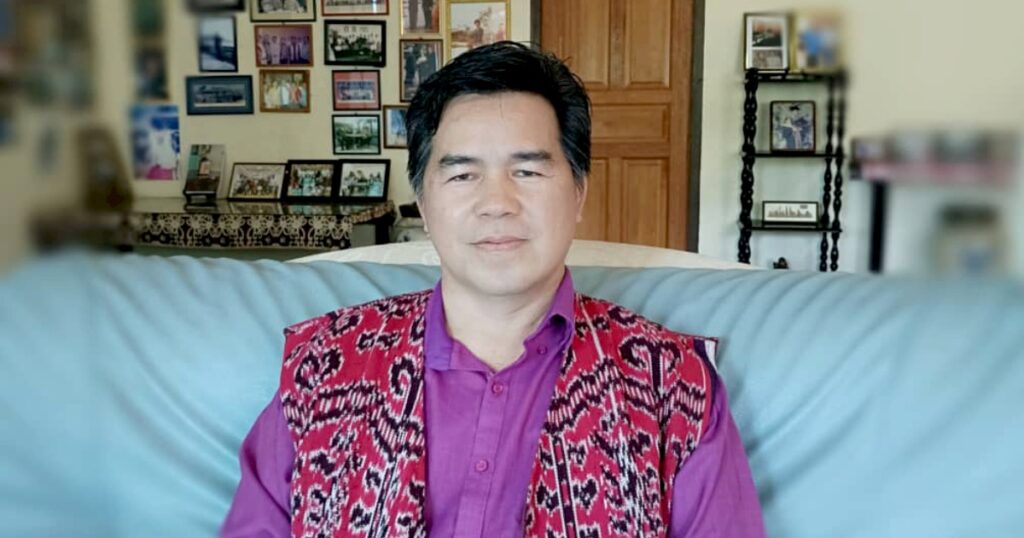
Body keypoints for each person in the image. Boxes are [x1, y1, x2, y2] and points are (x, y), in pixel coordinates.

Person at [221, 41, 765, 537]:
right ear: (424, 204)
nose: (497, 203)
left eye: (527, 172)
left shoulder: (673, 383)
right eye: (462, 175)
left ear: (578, 193)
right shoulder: (325, 366)